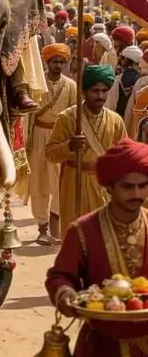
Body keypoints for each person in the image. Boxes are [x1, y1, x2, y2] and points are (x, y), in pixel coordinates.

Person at [46, 137, 148, 357]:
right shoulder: (83, 231)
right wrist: (65, 295)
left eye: (143, 186)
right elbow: (59, 276)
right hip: (103, 352)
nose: (137, 195)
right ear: (109, 188)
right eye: (128, 187)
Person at [45, 64, 126, 235]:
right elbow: (50, 153)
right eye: (95, 91)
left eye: (104, 91)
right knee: (76, 236)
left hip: (104, 186)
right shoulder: (67, 118)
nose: (100, 96)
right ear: (84, 91)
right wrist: (69, 146)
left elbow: (124, 156)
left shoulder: (116, 120)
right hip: (74, 182)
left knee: (104, 237)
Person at [27, 43, 76, 244]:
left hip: (59, 138)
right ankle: (42, 227)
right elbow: (28, 115)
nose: (57, 65)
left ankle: (55, 225)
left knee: (59, 182)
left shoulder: (71, 85)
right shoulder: (36, 85)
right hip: (38, 135)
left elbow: (74, 115)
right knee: (38, 183)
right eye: (54, 61)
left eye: (61, 62)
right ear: (46, 63)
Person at [105, 45, 142, 119]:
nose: (120, 60)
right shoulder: (142, 79)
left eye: (123, 58)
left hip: (119, 119)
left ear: (128, 60)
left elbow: (110, 105)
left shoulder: (118, 80)